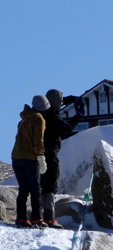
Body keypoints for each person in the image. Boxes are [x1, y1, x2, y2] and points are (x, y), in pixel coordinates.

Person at [11, 95, 49, 228]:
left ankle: (21, 218)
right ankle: (37, 218)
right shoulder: (38, 118)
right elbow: (38, 141)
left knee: (23, 189)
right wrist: (41, 157)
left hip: (16, 158)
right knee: (35, 189)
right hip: (30, 159)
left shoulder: (24, 118)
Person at [40, 88, 73, 228]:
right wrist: (79, 114)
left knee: (42, 186)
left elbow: (55, 102)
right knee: (50, 186)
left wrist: (69, 99)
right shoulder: (54, 117)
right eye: (60, 100)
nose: (61, 102)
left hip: (39, 155)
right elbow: (67, 128)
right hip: (51, 155)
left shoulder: (42, 114)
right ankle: (49, 217)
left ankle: (40, 216)